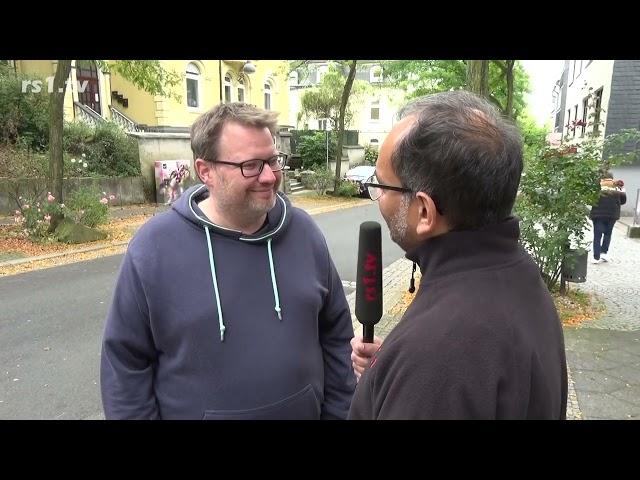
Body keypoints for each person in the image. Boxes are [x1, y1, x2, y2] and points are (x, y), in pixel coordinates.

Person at [101, 102, 356, 419]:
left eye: (273, 161)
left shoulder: (304, 232)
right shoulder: (154, 247)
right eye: (250, 165)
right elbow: (125, 366)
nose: (268, 177)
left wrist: (339, 413)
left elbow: (337, 337)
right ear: (206, 171)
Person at [349, 90, 567, 420]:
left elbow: (450, 370)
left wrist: (413, 374)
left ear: (424, 212)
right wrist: (390, 373)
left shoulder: (435, 354)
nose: (377, 197)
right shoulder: (519, 276)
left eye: (381, 186)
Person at [590, 172, 626, 264]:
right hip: (612, 215)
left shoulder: (597, 188)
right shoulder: (617, 187)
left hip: (598, 215)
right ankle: (604, 253)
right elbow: (623, 201)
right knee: (607, 234)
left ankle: (596, 257)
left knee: (597, 235)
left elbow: (590, 200)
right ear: (612, 178)